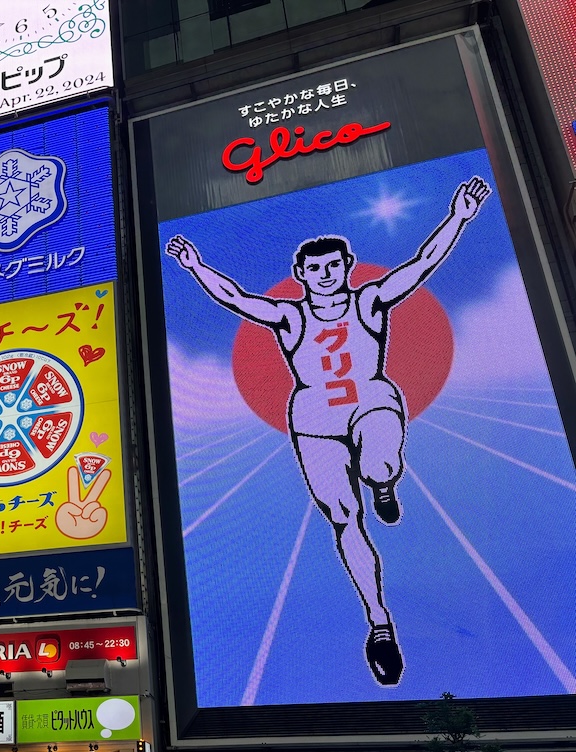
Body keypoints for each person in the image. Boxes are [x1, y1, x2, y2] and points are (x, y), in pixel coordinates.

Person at [165, 176, 490, 687]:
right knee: (343, 517)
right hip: (314, 419)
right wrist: (195, 266)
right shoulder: (289, 317)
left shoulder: (371, 300)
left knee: (379, 461)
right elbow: (236, 298)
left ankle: (384, 483)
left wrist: (458, 216)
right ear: (300, 273)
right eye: (314, 268)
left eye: (332, 266)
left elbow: (422, 264)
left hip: (371, 399)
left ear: (346, 267)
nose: (324, 274)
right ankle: (380, 625)